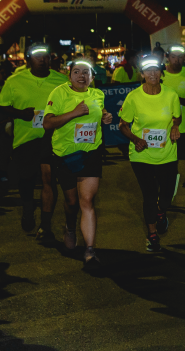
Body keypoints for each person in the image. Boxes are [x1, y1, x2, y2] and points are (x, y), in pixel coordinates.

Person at [43, 58, 113, 265]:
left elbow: (99, 115)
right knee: (72, 202)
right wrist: (74, 113)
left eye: (86, 72)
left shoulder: (97, 94)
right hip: (65, 155)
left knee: (87, 201)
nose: (81, 76)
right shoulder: (59, 93)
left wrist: (105, 117)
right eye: (77, 72)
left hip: (90, 153)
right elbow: (47, 123)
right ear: (69, 75)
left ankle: (90, 250)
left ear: (92, 77)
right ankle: (70, 226)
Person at [0, 43, 69, 240]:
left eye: (45, 56)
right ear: (28, 59)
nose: (42, 60)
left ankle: (45, 226)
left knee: (48, 180)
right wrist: (21, 113)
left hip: (51, 139)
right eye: (37, 56)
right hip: (25, 139)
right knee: (26, 179)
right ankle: (28, 208)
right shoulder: (15, 81)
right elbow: (1, 106)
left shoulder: (61, 80)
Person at [119, 54, 181, 252]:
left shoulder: (170, 94)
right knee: (149, 195)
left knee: (166, 197)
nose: (153, 73)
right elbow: (123, 125)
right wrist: (136, 139)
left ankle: (162, 212)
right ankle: (152, 235)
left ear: (161, 73)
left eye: (156, 70)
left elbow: (176, 118)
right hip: (142, 154)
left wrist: (174, 127)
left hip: (167, 153)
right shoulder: (134, 97)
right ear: (142, 74)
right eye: (148, 70)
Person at [161, 44, 185, 188]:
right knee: (166, 159)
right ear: (168, 57)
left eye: (180, 57)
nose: (177, 60)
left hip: (183, 124)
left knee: (180, 155)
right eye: (173, 57)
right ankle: (167, 187)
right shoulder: (160, 73)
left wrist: (177, 99)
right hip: (162, 124)